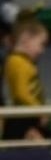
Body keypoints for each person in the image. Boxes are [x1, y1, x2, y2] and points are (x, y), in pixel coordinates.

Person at [2, 9, 46, 141]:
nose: (42, 50)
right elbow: (21, 94)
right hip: (23, 118)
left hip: (29, 114)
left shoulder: (24, 62)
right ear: (26, 40)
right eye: (41, 44)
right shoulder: (17, 62)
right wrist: (39, 111)